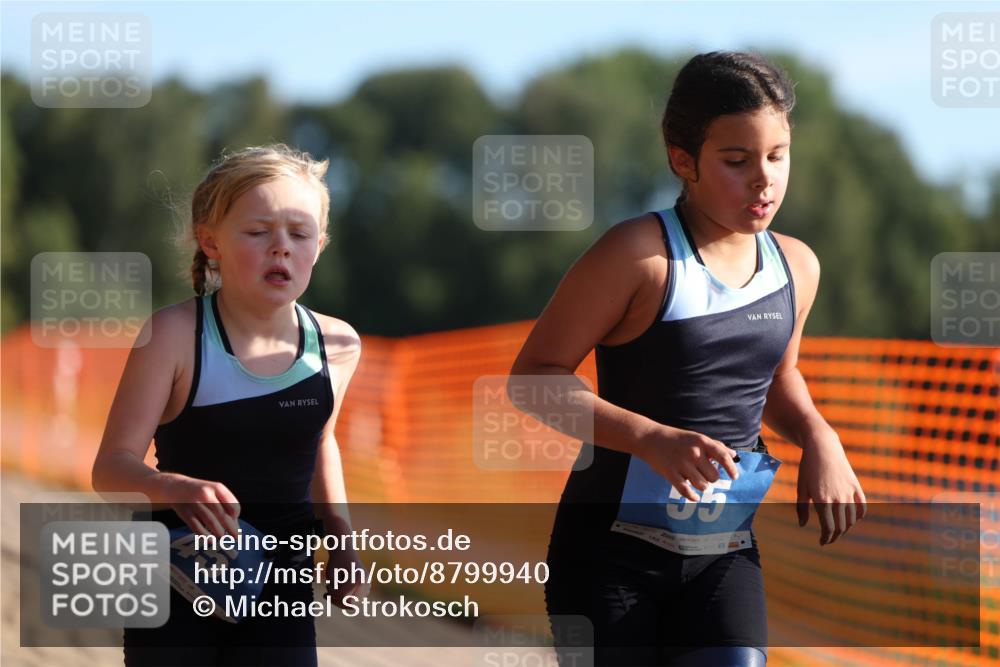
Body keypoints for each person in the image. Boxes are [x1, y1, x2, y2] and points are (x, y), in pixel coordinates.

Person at [510, 52, 867, 666]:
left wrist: (819, 438)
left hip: (723, 554)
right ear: (683, 160)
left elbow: (779, 376)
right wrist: (651, 439)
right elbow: (532, 380)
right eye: (737, 161)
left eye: (777, 156)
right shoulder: (637, 255)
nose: (764, 180)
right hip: (608, 556)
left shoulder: (797, 266)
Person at [91, 144, 367, 666]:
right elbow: (109, 468)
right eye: (259, 232)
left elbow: (321, 441)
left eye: (300, 233)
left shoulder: (339, 345)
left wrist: (341, 537)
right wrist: (171, 486)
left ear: (320, 245)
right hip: (173, 574)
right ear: (210, 241)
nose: (280, 248)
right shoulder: (172, 335)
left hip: (284, 579)